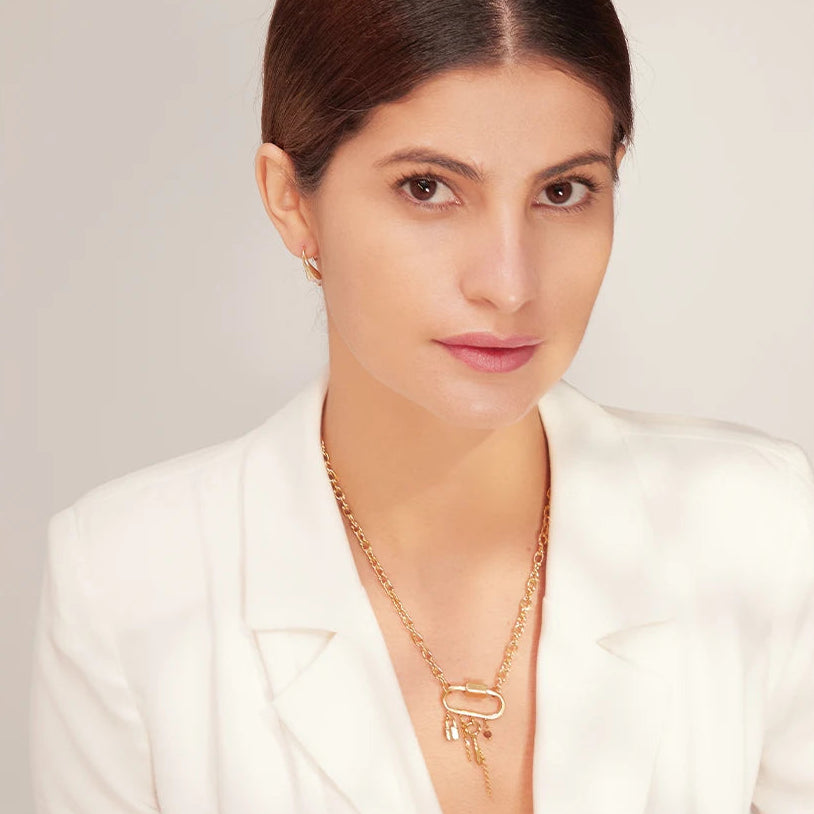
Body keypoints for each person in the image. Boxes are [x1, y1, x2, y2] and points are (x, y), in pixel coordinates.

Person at [29, 0, 814, 812]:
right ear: (291, 200)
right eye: (428, 187)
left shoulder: (759, 530)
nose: (509, 283)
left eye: (564, 190)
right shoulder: (127, 582)